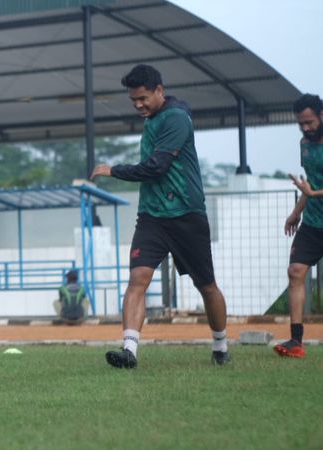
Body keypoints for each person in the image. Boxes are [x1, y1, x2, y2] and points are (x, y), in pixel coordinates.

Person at [91, 64, 230, 368]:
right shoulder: (153, 119)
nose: (138, 105)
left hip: (186, 214)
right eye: (133, 101)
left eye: (143, 98)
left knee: (206, 285)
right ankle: (129, 351)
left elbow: (157, 167)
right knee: (138, 278)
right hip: (151, 216)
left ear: (159, 91)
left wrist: (113, 170)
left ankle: (220, 345)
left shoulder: (177, 119)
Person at [277, 93, 323, 359]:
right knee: (295, 271)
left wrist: (315, 193)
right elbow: (310, 184)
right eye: (301, 124)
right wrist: (295, 212)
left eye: (310, 122)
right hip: (313, 223)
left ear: (321, 116)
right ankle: (296, 340)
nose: (306, 128)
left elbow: (313, 189)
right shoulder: (305, 144)